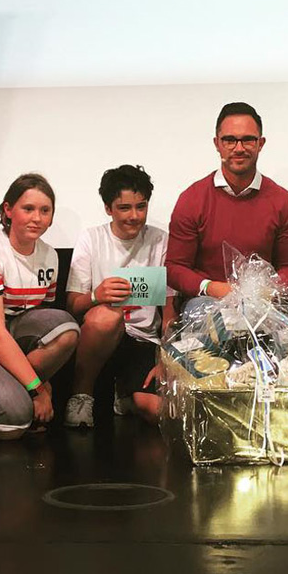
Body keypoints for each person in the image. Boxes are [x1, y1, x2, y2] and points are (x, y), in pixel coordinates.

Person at [0, 174, 79, 437]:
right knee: (12, 424)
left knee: (67, 328)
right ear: (8, 210)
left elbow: (43, 319)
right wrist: (37, 389)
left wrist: (42, 382)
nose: (37, 218)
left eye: (45, 211)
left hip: (14, 336)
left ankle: (15, 385)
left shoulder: (50, 255)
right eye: (28, 209)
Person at [64, 165, 177, 427]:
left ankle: (126, 398)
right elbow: (72, 306)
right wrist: (97, 295)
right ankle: (81, 396)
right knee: (107, 317)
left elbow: (169, 309)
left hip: (143, 340)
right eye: (124, 208)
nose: (134, 216)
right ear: (108, 208)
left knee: (156, 411)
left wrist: (167, 356)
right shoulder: (91, 239)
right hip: (98, 338)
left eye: (141, 206)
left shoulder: (161, 241)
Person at [166, 102, 288, 307]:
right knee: (207, 313)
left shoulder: (283, 202)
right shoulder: (192, 199)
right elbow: (175, 268)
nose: (239, 148)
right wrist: (211, 287)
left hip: (264, 304)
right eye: (230, 140)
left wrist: (270, 291)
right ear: (217, 143)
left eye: (248, 140)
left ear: (261, 143)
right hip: (207, 302)